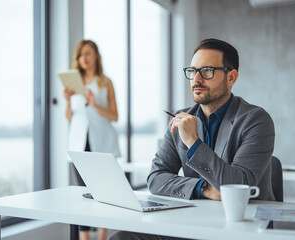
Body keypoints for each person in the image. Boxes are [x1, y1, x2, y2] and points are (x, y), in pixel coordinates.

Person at [108, 38, 275, 240]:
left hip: (243, 228)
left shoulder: (255, 120)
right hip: (194, 222)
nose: (196, 79)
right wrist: (202, 188)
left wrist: (193, 143)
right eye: (193, 71)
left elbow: (240, 186)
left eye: (207, 71)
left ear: (231, 77)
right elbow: (156, 178)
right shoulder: (181, 117)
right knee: (122, 237)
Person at [64, 39, 120, 240]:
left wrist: (94, 104)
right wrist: (67, 101)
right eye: (80, 55)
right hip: (79, 144)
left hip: (102, 144)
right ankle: (85, 238)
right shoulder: (74, 84)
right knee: (83, 195)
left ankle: (102, 237)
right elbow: (70, 117)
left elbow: (115, 116)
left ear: (96, 55)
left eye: (87, 53)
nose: (83, 58)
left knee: (103, 193)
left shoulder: (105, 82)